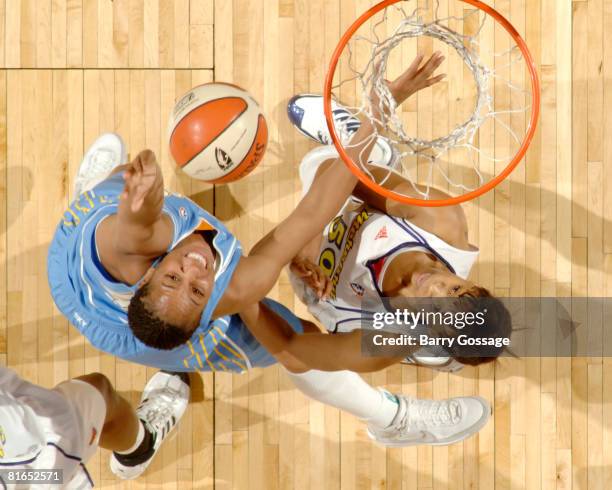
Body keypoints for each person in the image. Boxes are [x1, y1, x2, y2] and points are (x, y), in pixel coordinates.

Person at [47, 52, 490, 447]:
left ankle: (394, 417)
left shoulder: (154, 243)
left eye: (177, 275)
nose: (196, 267)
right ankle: (390, 418)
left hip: (80, 250)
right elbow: (322, 205)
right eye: (200, 290)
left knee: (123, 187)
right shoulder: (230, 284)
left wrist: (136, 204)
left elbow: (313, 218)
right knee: (322, 172)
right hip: (129, 312)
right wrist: (373, 119)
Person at [285, 90, 513, 373]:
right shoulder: (441, 221)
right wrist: (307, 237)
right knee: (316, 164)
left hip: (318, 292)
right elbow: (335, 172)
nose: (434, 286)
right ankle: (365, 145)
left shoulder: (383, 339)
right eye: (455, 288)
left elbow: (299, 351)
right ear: (468, 282)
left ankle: (372, 151)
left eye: (437, 311)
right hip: (342, 210)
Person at [0, 367, 189, 486]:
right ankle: (139, 449)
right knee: (97, 393)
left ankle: (138, 451)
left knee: (97, 389)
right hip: (38, 458)